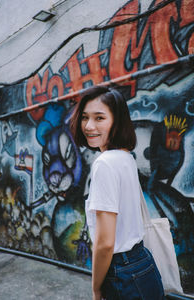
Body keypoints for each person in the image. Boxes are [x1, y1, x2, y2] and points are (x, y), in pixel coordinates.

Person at [70, 85, 165, 300]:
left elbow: (105, 243)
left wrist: (96, 288)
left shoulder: (104, 163)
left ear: (116, 121)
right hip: (142, 263)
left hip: (122, 272)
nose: (89, 126)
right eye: (85, 117)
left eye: (99, 118)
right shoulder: (125, 157)